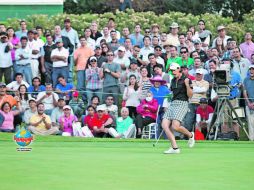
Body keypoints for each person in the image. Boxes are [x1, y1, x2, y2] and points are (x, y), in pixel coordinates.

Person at [162, 62, 195, 154]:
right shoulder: (173, 80)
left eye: (173, 70)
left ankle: (190, 135)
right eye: (171, 70)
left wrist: (187, 85)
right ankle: (175, 148)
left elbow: (190, 95)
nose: (172, 72)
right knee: (164, 125)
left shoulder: (187, 79)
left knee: (175, 126)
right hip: (173, 103)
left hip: (183, 103)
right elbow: (173, 93)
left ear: (178, 69)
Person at [243, 65, 254, 141]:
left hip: (252, 104)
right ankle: (251, 140)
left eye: (253, 69)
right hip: (249, 105)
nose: (251, 71)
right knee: (250, 123)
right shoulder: (246, 80)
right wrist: (249, 103)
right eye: (250, 69)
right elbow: (244, 92)